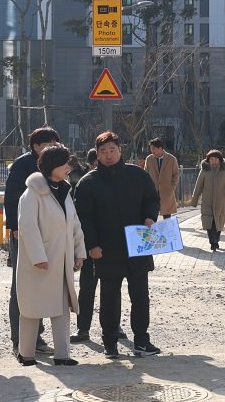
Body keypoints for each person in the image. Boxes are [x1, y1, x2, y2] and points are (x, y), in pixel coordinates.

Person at [74, 131, 162, 358]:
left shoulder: (137, 175)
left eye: (112, 150)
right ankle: (110, 342)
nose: (108, 155)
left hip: (138, 247)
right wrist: (91, 245)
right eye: (103, 151)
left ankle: (142, 341)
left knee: (141, 296)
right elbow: (83, 218)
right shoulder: (88, 183)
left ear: (120, 151)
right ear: (97, 154)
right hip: (106, 250)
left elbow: (152, 199)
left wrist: (150, 217)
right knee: (109, 298)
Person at [15, 144, 87, 366]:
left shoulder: (64, 191)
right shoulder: (32, 193)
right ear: (52, 166)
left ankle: (62, 355)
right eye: (64, 163)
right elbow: (27, 226)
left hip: (61, 260)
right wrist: (38, 256)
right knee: (31, 307)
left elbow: (74, 223)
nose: (68, 167)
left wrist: (79, 251)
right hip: (40, 262)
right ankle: (26, 353)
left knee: (61, 307)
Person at [5, 126, 61, 355]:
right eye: (48, 144)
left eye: (55, 144)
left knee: (42, 284)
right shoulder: (22, 165)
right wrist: (15, 228)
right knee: (21, 285)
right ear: (36, 147)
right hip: (25, 234)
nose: (53, 148)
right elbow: (11, 197)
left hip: (49, 235)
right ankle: (19, 338)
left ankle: (37, 337)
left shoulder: (56, 165)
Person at [70, 149, 127, 344]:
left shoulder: (120, 182)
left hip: (113, 247)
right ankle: (82, 327)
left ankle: (114, 326)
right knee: (87, 288)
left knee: (113, 289)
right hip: (90, 245)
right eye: (95, 162)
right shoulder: (85, 183)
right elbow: (81, 217)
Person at [191, 149, 225, 251]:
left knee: (219, 223)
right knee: (209, 223)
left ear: (220, 160)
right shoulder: (204, 171)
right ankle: (213, 243)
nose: (213, 161)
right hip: (207, 202)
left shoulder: (224, 171)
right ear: (208, 160)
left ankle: (216, 240)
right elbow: (198, 186)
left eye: (216, 159)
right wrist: (194, 201)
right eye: (211, 159)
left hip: (220, 203)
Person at [143, 138, 180, 220]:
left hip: (167, 192)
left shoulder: (171, 159)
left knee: (167, 217)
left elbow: (176, 174)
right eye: (151, 148)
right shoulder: (149, 159)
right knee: (151, 216)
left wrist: (172, 187)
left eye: (154, 149)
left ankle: (167, 232)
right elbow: (146, 175)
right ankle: (153, 232)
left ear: (160, 148)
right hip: (152, 191)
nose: (152, 151)